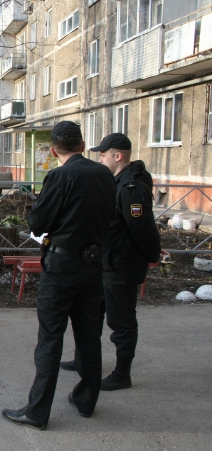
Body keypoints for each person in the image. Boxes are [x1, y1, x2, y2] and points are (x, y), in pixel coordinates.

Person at [2, 121, 116, 430]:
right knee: (89, 334)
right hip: (94, 266)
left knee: (50, 338)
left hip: (62, 266)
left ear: (53, 150)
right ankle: (86, 399)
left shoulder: (59, 176)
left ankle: (37, 412)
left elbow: (38, 224)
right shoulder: (105, 174)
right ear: (82, 145)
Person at [59, 133, 163, 392]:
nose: (100, 159)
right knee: (93, 315)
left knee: (121, 321)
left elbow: (140, 226)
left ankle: (122, 373)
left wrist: (153, 255)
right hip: (106, 261)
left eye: (103, 155)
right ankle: (84, 361)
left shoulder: (132, 186)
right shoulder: (115, 181)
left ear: (118, 156)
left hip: (123, 263)